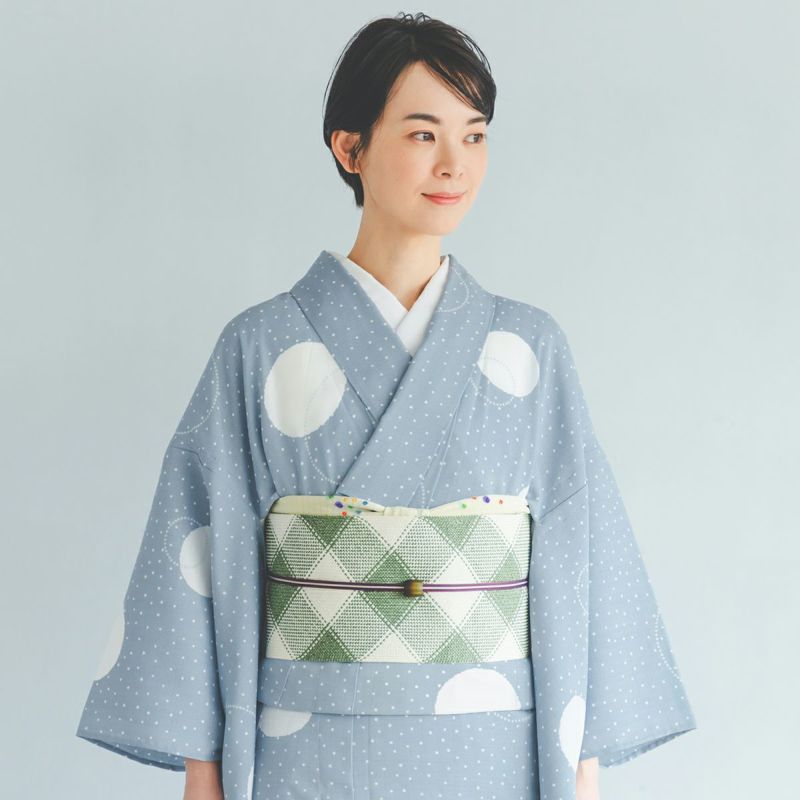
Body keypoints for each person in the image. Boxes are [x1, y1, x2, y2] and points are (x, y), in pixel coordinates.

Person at [75, 12, 697, 800]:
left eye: (475, 136)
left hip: (491, 748)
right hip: (308, 743)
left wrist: (582, 773)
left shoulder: (530, 347)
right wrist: (206, 776)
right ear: (350, 147)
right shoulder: (258, 345)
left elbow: (582, 559)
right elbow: (198, 552)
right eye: (423, 134)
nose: (455, 163)